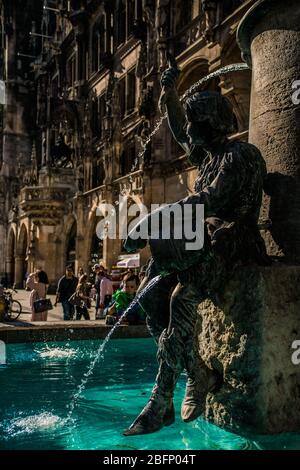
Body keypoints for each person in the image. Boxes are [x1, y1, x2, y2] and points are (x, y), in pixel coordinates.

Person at [122, 60, 270, 436]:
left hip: (233, 244)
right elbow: (177, 128)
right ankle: (196, 371)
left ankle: (161, 399)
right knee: (150, 293)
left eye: (194, 123)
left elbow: (209, 200)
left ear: (209, 123)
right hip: (204, 242)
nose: (187, 130)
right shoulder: (207, 157)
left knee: (180, 300)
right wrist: (169, 93)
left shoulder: (241, 156)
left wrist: (151, 222)